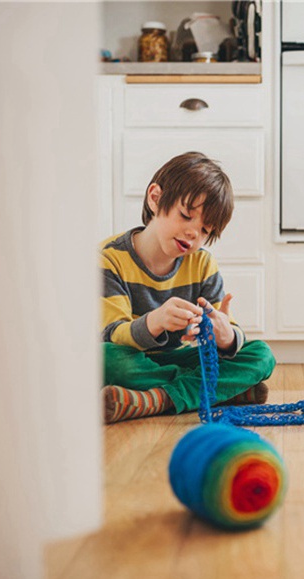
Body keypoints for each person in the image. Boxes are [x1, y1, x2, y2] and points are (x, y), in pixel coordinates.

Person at [99, 152, 275, 424]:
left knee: (261, 355)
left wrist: (226, 335)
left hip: (180, 360)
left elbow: (229, 334)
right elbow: (111, 334)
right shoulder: (110, 258)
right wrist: (154, 322)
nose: (194, 234)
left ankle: (155, 400)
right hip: (134, 360)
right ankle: (217, 391)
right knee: (105, 359)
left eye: (205, 230)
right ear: (155, 198)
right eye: (185, 216)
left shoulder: (202, 263)